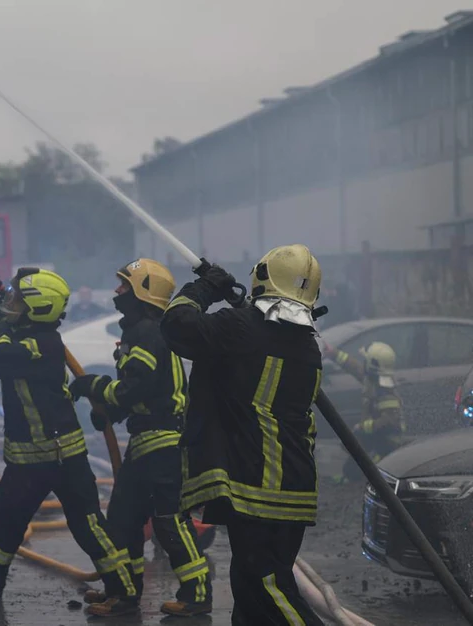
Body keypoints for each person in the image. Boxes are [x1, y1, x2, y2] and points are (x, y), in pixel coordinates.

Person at [0, 268, 138, 610]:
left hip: (61, 457)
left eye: (21, 300)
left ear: (38, 308)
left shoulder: (43, 344)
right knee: (5, 522)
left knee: (88, 526)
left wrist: (6, 318)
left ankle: (123, 592)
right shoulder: (16, 332)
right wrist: (6, 301)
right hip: (25, 459)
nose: (13, 304)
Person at [160, 244, 326, 626]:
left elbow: (177, 326)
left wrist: (206, 287)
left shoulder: (241, 328)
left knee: (267, 586)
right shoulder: (306, 344)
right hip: (290, 484)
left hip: (260, 486)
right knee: (251, 599)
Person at [69, 259, 212, 617]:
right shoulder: (146, 330)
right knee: (126, 519)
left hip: (162, 445)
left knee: (164, 520)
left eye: (124, 286)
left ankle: (194, 595)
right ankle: (124, 593)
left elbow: (136, 387)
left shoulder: (147, 332)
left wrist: (94, 386)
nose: (117, 292)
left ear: (141, 291)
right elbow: (147, 391)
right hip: (153, 441)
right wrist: (111, 411)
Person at [322, 341, 404, 483]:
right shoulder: (373, 380)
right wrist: (333, 353)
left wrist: (364, 427)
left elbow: (389, 422)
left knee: (361, 471)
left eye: (366, 360)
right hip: (375, 436)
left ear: (372, 365)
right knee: (351, 462)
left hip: (385, 442)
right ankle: (352, 475)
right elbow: (354, 367)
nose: (363, 363)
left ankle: (362, 477)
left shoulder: (385, 392)